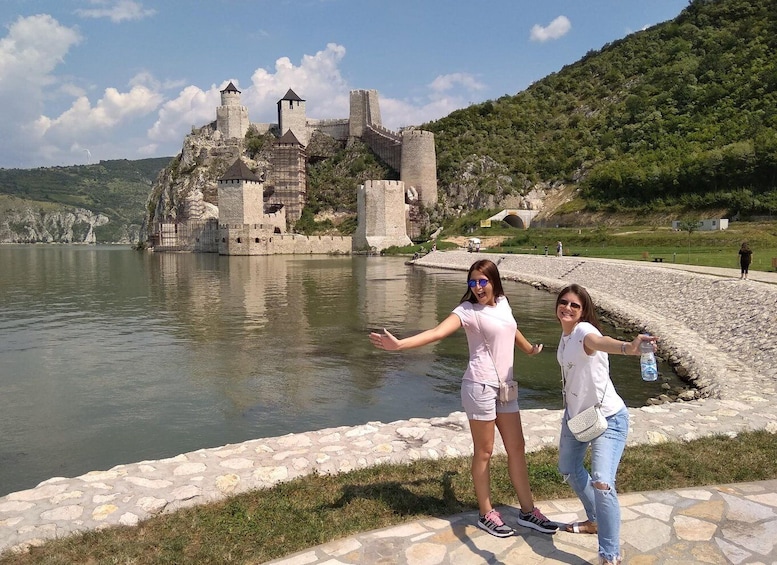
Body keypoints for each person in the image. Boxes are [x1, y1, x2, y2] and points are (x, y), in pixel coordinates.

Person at [370, 259, 558, 538]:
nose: (478, 287)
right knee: (484, 451)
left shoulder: (503, 303)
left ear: (494, 281)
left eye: (483, 281)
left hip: (506, 386)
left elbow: (510, 327)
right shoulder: (467, 311)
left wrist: (529, 349)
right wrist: (400, 345)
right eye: (473, 282)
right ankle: (486, 513)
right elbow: (436, 332)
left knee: (517, 447)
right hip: (479, 386)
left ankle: (528, 511)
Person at [554, 284, 656, 565]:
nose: (568, 308)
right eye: (564, 303)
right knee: (568, 468)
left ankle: (609, 555)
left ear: (583, 311)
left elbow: (601, 342)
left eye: (575, 305)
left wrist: (628, 348)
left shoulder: (585, 332)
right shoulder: (565, 337)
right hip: (577, 417)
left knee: (601, 481)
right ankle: (596, 519)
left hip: (608, 418)